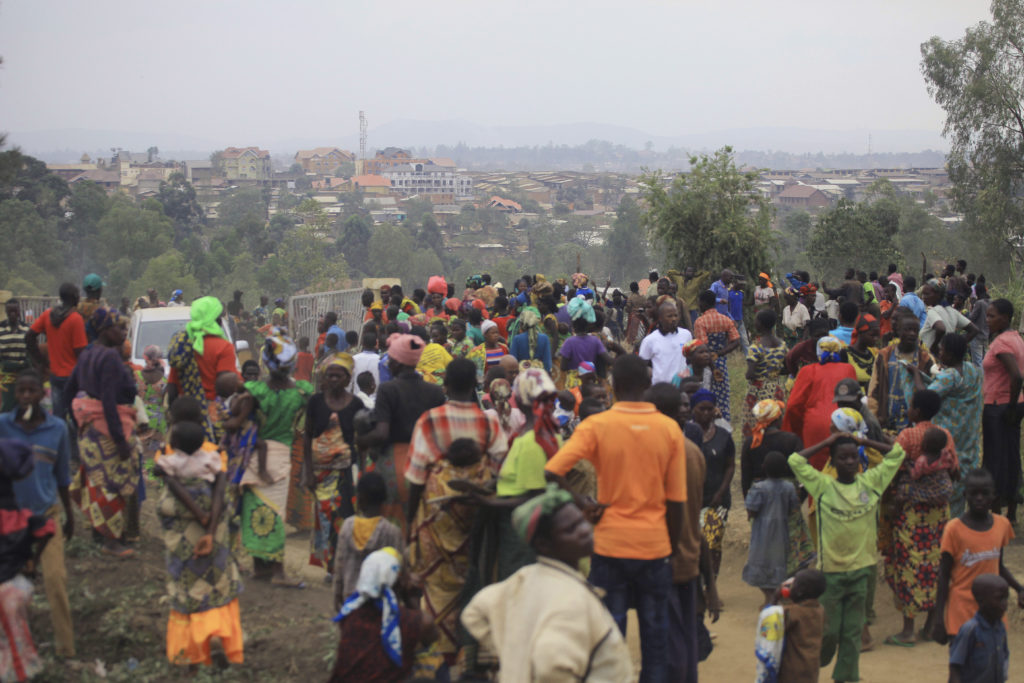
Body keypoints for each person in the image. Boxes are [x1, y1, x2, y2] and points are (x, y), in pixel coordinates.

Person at [544, 354, 685, 683]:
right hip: (654, 546)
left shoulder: (596, 425)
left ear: (613, 386)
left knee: (609, 636)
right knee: (656, 640)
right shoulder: (669, 429)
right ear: (648, 385)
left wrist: (582, 502)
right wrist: (673, 549)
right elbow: (677, 501)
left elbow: (552, 471)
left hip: (608, 545)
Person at [461, 485, 633, 683]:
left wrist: (514, 654)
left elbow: (474, 613)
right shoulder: (571, 599)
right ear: (544, 544)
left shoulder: (525, 577)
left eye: (581, 521)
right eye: (571, 529)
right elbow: (551, 665)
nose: (585, 531)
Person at [789, 432, 905, 683]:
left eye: (854, 457)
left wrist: (865, 442)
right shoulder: (822, 486)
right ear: (833, 461)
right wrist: (826, 442)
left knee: (853, 632)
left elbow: (898, 453)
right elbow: (795, 461)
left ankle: (846, 677)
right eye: (842, 457)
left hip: (863, 570)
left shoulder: (871, 483)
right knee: (829, 631)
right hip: (831, 572)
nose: (850, 462)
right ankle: (812, 662)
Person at [154, 420, 242, 668]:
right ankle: (215, 636)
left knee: (186, 588)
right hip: (212, 537)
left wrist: (197, 515)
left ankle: (191, 651)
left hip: (185, 543)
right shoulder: (212, 460)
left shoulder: (171, 464)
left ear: (176, 443)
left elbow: (163, 476)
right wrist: (210, 526)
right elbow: (220, 488)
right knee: (216, 585)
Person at [0, 369, 75, 657]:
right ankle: (15, 647)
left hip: (47, 514)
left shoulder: (57, 429)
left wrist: (68, 515)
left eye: (32, 391)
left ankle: (65, 650)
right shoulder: (3, 425)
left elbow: (63, 476)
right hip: (9, 521)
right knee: (11, 584)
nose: (26, 396)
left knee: (55, 580)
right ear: (16, 395)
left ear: (44, 395)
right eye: (22, 391)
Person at [239, 329, 312, 587]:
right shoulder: (301, 393)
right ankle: (278, 571)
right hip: (282, 456)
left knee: (255, 511)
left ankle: (261, 566)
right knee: (275, 514)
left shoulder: (254, 391)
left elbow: (239, 423)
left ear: (266, 363)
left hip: (253, 456)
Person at [408, 437, 492, 662]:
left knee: (435, 596)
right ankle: (464, 649)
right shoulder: (483, 478)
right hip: (466, 555)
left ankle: (432, 643)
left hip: (436, 554)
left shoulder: (436, 477)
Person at [882, 391, 956, 647]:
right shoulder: (945, 435)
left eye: (911, 406)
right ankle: (930, 626)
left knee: (909, 565)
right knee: (936, 565)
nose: (909, 409)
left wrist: (891, 499)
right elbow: (955, 470)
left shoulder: (907, 436)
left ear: (917, 411)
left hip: (912, 512)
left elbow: (892, 466)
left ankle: (907, 630)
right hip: (939, 514)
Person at [65, 308, 138, 557]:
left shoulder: (87, 353)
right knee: (112, 483)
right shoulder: (108, 357)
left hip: (89, 427)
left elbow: (69, 391)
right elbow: (108, 400)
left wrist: (79, 421)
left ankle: (99, 533)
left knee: (96, 480)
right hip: (107, 425)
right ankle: (112, 541)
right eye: (119, 327)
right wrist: (118, 440)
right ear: (106, 330)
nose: (123, 332)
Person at [405, 357, 508, 526]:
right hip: (477, 514)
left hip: (437, 515)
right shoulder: (489, 423)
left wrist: (410, 521)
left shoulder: (429, 421)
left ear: (445, 385)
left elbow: (416, 477)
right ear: (475, 384)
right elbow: (501, 469)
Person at [358, 334, 445, 535]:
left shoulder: (388, 390)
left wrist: (360, 439)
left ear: (396, 362)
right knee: (422, 525)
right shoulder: (435, 392)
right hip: (428, 466)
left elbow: (381, 433)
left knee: (392, 526)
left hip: (395, 465)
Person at [932, 468, 1024, 645]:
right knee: (963, 668)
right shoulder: (954, 530)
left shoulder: (1002, 525)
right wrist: (939, 620)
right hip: (962, 613)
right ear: (965, 495)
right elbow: (943, 577)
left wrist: (1019, 588)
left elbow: (999, 566)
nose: (979, 498)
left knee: (993, 667)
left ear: (994, 496)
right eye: (974, 493)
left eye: (985, 493)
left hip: (993, 613)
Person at [330, 547, 436, 682]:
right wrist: (411, 598)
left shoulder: (350, 614)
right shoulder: (412, 621)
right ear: (400, 581)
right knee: (433, 664)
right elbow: (431, 639)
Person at [0, 438, 56, 682]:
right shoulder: (19, 516)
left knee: (9, 647)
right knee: (17, 639)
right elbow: (47, 529)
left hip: (3, 593)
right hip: (16, 586)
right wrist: (31, 561)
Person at [910, 333, 982, 516]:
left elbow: (927, 398)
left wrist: (916, 375)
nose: (939, 353)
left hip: (950, 439)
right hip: (969, 439)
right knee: (962, 486)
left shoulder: (948, 377)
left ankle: (947, 529)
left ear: (949, 354)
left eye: (941, 350)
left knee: (949, 485)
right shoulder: (973, 370)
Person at [304, 353, 364, 571]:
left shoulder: (356, 404)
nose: (334, 380)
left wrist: (362, 473)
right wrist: (308, 472)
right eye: (330, 376)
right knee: (325, 516)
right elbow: (308, 436)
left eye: (339, 376)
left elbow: (361, 442)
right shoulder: (316, 402)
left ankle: (340, 563)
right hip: (321, 473)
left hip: (346, 471)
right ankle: (329, 562)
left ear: (348, 379)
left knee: (345, 516)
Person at [166, 297, 239, 439]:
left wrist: (174, 417)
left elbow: (172, 388)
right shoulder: (223, 347)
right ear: (217, 319)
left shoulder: (182, 344)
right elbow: (226, 386)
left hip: (185, 414)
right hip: (213, 415)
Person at [333, 472, 404, 612]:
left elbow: (339, 567)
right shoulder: (392, 532)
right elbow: (399, 573)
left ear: (358, 499)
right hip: (380, 607)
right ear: (384, 502)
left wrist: (337, 596)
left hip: (351, 603)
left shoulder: (347, 526)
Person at [783, 337, 858, 469]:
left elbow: (793, 406)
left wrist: (797, 431)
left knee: (816, 469)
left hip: (815, 425)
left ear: (817, 353)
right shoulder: (849, 369)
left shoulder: (807, 371)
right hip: (844, 423)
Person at [980, 298, 1024, 521]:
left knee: (995, 459)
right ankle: (1013, 513)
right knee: (1011, 456)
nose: (988, 320)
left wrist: (1010, 407)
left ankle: (996, 512)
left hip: (999, 406)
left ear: (1005, 318)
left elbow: (1016, 376)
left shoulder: (1001, 343)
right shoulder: (1015, 338)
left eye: (992, 316)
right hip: (1011, 405)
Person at [743, 451, 800, 605]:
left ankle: (769, 597)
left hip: (762, 533)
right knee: (778, 564)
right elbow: (793, 507)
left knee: (760, 564)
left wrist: (751, 514)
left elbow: (752, 510)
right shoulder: (788, 487)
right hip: (782, 533)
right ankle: (775, 595)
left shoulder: (759, 487)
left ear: (764, 468)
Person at [25, 283, 88, 421]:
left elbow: (29, 336)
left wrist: (40, 360)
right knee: (75, 418)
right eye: (78, 296)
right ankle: (72, 442)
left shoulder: (48, 314)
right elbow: (80, 351)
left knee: (58, 417)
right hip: (73, 377)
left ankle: (60, 442)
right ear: (73, 297)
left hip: (55, 375)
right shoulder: (75, 319)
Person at [690, 387, 735, 577]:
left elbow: (730, 465)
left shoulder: (724, 436)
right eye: (702, 409)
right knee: (694, 543)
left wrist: (721, 492)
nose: (706, 413)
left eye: (710, 409)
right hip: (691, 499)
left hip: (718, 500)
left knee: (713, 542)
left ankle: (711, 582)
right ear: (693, 409)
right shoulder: (686, 435)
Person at [868, 312, 934, 432]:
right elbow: (874, 389)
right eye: (907, 330)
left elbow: (933, 390)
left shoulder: (925, 359)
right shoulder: (884, 355)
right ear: (898, 331)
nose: (912, 334)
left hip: (915, 426)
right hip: (887, 422)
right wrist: (874, 418)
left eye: (915, 330)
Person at [947, 574, 1010, 683]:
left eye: (1006, 598)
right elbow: (955, 665)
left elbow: (1004, 657)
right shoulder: (970, 630)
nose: (1004, 604)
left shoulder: (1000, 628)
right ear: (981, 600)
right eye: (999, 599)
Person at [693, 290, 741, 422]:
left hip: (706, 366)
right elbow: (736, 341)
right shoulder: (725, 319)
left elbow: (704, 347)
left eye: (699, 302)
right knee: (723, 398)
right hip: (722, 364)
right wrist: (719, 354)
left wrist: (712, 367)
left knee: (706, 397)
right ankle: (724, 426)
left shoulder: (700, 322)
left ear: (703, 303)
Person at [743, 310, 787, 438]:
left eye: (756, 320)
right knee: (775, 420)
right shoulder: (782, 345)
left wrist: (760, 374)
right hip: (777, 388)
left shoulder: (756, 347)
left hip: (759, 390)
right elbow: (788, 368)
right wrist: (774, 372)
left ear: (760, 324)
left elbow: (750, 374)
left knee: (757, 422)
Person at [558, 297, 613, 390]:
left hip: (573, 385)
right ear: (589, 323)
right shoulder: (595, 340)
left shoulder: (569, 342)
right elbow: (608, 360)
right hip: (590, 383)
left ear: (573, 323)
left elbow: (563, 367)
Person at [639, 300, 693, 385]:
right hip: (661, 389)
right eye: (669, 316)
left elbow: (690, 358)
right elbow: (642, 364)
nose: (674, 319)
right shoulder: (650, 340)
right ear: (660, 318)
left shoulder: (686, 335)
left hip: (682, 386)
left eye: (676, 315)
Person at [920, 278, 979, 355]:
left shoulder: (933, 311)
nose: (923, 297)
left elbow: (941, 329)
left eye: (927, 294)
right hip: (944, 358)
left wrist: (934, 346)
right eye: (923, 294)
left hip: (931, 358)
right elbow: (974, 330)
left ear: (938, 294)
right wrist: (954, 346)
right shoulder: (953, 312)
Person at [0, 300, 31, 413]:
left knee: (23, 408)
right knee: (7, 408)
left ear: (19, 312)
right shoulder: (1, 329)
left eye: (15, 311)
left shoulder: (26, 329)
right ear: (6, 312)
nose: (12, 314)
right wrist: (6, 364)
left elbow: (30, 351)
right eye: (10, 311)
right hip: (6, 378)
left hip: (23, 376)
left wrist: (26, 364)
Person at [508, 306, 552, 372]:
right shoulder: (544, 338)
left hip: (522, 378)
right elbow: (547, 364)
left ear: (521, 324)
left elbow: (513, 361)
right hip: (540, 377)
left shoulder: (517, 339)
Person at [846, 313, 880, 393]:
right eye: (872, 335)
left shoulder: (874, 353)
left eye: (877, 335)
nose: (876, 339)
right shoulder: (845, 354)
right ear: (860, 333)